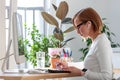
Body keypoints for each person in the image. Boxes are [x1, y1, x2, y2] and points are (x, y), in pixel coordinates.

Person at [58, 7, 113, 80]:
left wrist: (82, 72)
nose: (77, 32)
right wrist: (68, 65)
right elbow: (86, 66)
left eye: (78, 27)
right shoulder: (96, 41)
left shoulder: (101, 42)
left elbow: (107, 77)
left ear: (88, 24)